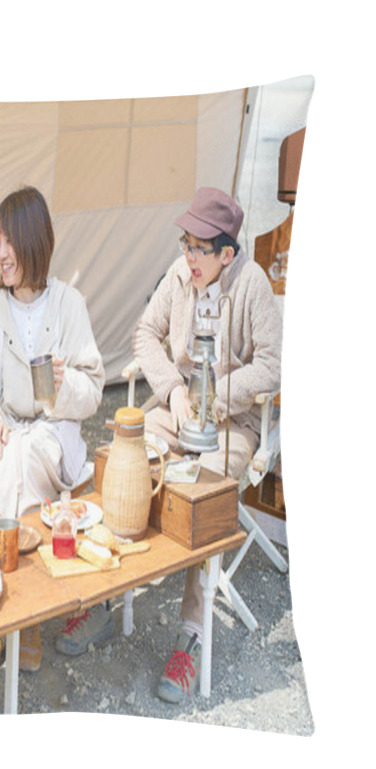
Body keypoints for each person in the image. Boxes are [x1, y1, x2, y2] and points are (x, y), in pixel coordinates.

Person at [132, 186, 282, 703]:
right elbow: (145, 335)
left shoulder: (253, 284)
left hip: (232, 422)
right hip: (178, 411)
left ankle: (191, 635)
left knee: (207, 498)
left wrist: (216, 396)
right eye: (186, 244)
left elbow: (272, 363)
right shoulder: (179, 277)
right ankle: (109, 597)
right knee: (132, 463)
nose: (189, 256)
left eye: (200, 248)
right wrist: (173, 393)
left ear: (227, 253)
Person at [0, 186, 105, 673]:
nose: (1, 254)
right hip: (9, 425)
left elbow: (94, 386)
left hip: (53, 427)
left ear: (34, 240)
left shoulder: (69, 303)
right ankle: (0, 610)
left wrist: (63, 387)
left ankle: (20, 616)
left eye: (9, 241)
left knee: (22, 458)